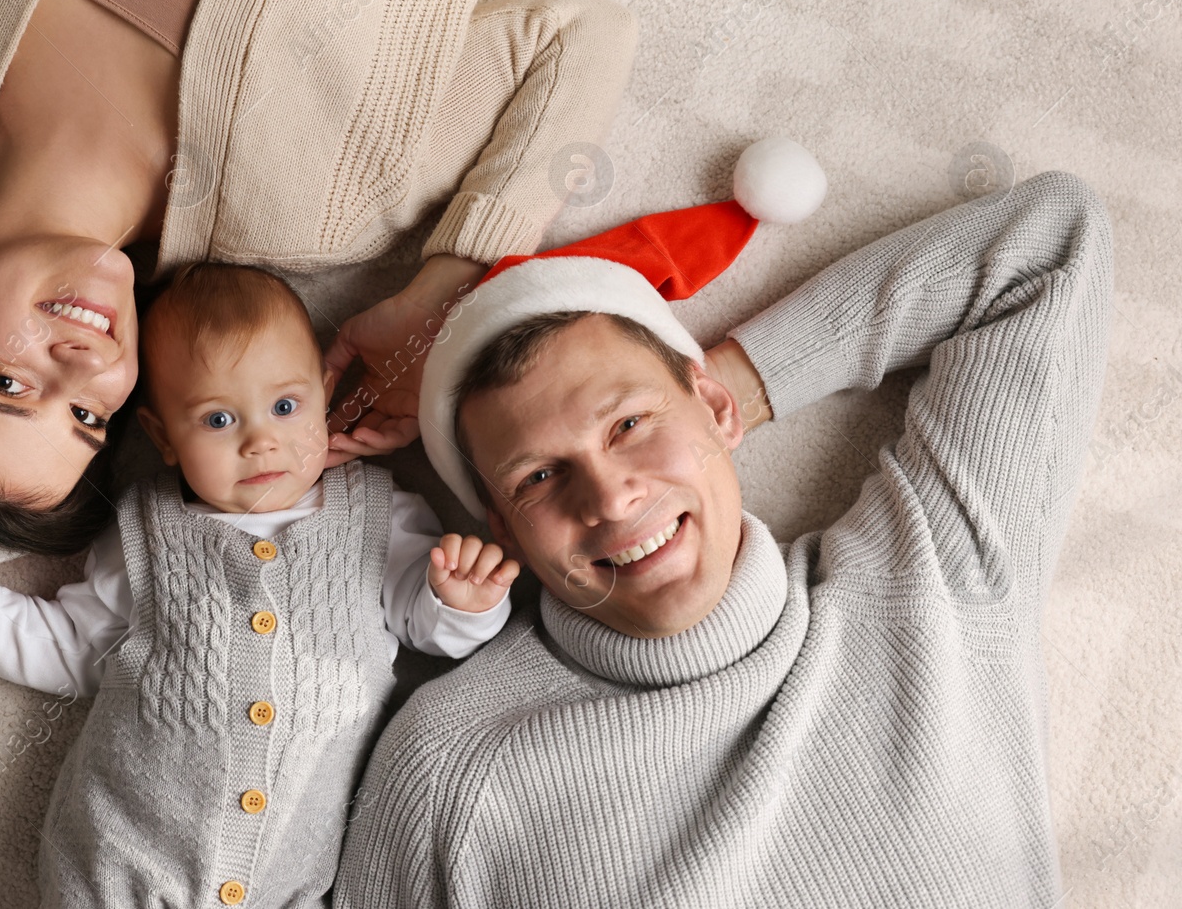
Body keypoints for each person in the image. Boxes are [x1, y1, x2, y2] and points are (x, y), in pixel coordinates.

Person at [0, 0, 676, 570]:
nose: (80, 364)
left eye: (6, 381)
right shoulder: (315, 202)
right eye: (87, 414)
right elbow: (583, 38)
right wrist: (440, 296)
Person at [331, 170, 1113, 907]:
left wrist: (736, 388)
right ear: (502, 526)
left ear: (715, 406)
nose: (610, 497)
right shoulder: (449, 767)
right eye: (538, 476)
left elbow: (1045, 246)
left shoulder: (928, 583)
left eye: (630, 424)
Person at [0, 264, 518, 907]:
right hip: (122, 865)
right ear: (163, 437)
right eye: (218, 420)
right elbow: (75, 651)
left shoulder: (381, 515)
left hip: (288, 885)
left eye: (285, 406)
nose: (260, 441)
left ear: (325, 394)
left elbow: (432, 635)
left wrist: (462, 601)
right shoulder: (145, 532)